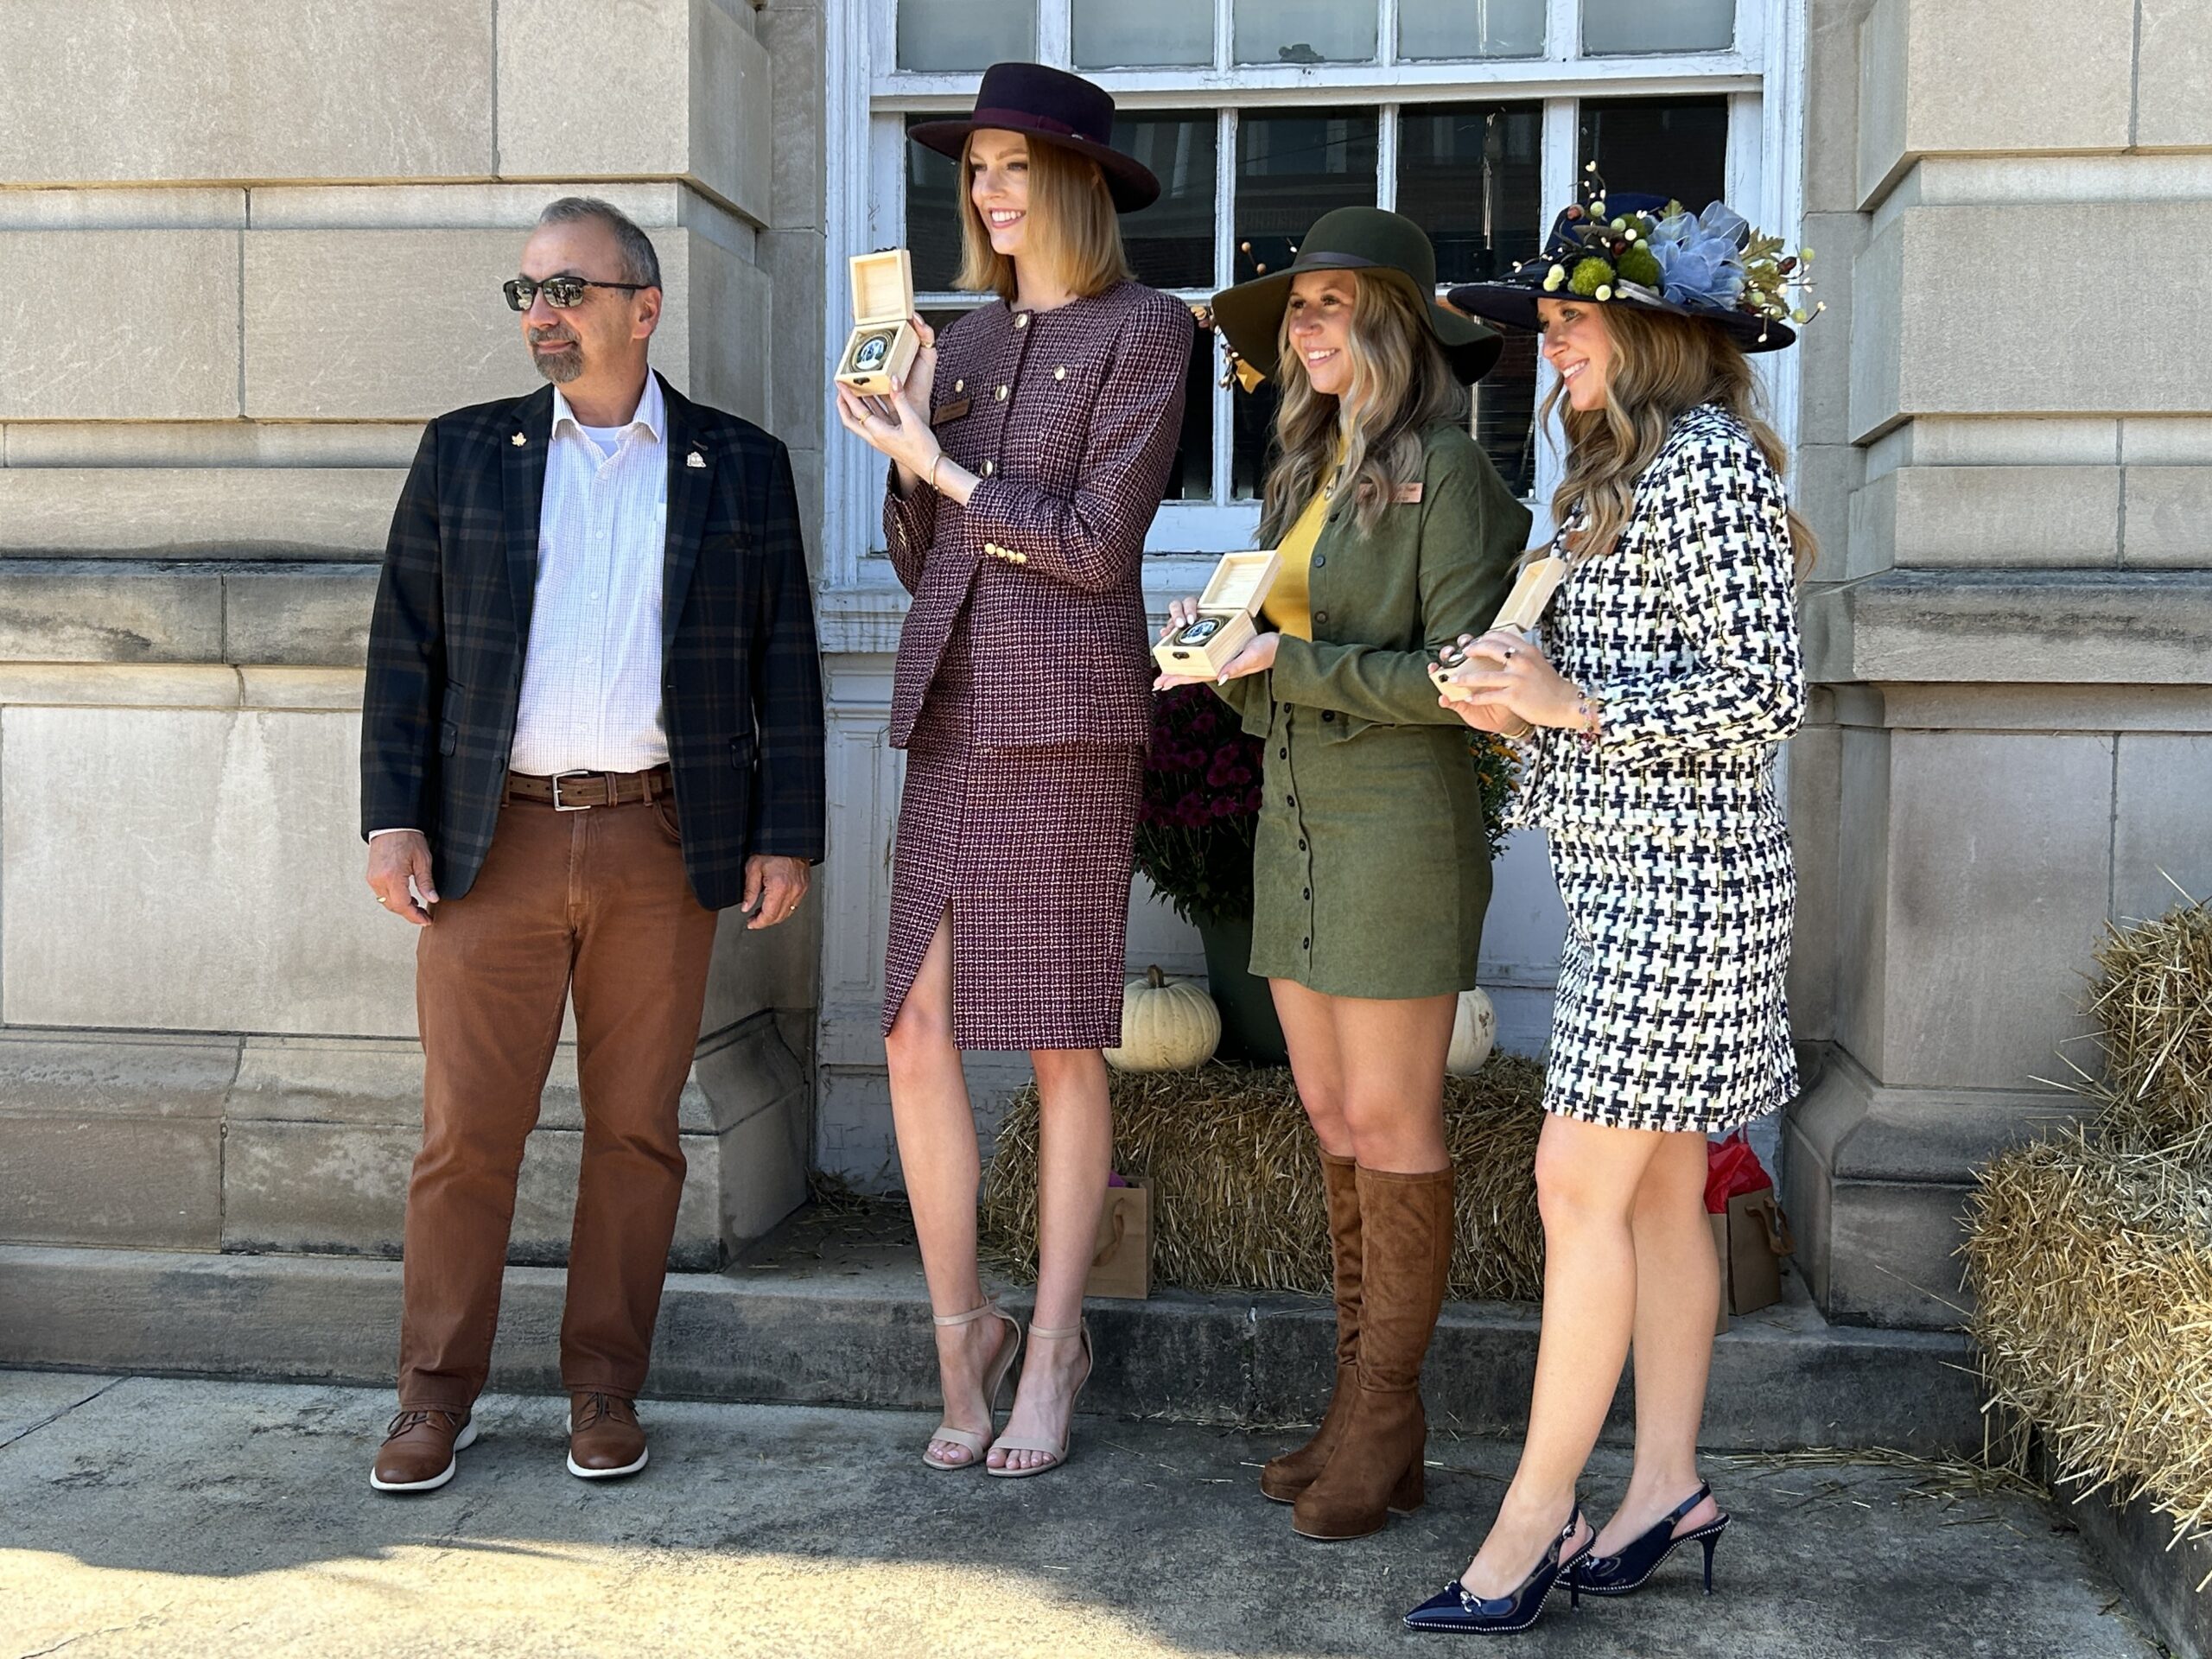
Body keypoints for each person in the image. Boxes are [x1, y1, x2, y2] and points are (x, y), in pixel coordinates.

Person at [360, 196, 824, 1493]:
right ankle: (430, 1396)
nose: (542, 316)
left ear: (643, 305)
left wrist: (786, 834)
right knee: (466, 1134)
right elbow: (406, 652)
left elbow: (781, 661)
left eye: (565, 289)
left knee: (637, 1133)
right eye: (526, 295)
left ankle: (605, 1383)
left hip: (655, 842)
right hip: (488, 844)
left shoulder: (736, 463)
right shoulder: (466, 455)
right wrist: (391, 816)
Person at [1402, 192, 1813, 1633]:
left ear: (1645, 334)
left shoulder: (1701, 467)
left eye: (1572, 323)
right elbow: (1600, 699)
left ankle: (1531, 1522)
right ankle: (1669, 1487)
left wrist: (1570, 700)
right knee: (1648, 1192)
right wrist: (1510, 700)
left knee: (1578, 1187)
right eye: (1552, 327)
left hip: (1692, 890)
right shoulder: (1599, 485)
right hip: (1630, 882)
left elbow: (1769, 692)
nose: (1552, 348)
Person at [833, 62, 1190, 1478]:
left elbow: (1099, 547)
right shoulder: (966, 346)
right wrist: (901, 442)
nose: (986, 191)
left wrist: (951, 469)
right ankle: (960, 1331)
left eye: (1013, 166)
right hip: (952, 713)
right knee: (913, 1031)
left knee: (1057, 1040)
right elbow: (927, 562)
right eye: (974, 166)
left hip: (1064, 727)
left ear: (1078, 185)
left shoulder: (1146, 333)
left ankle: (1055, 1351)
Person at [1160, 207, 1529, 1541]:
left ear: (1393, 323)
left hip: (1398, 832)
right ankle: (1363, 1407)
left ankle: (1388, 1410)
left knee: (1394, 1126)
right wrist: (1216, 664)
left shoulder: (1453, 474)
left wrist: (1283, 667)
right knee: (1328, 1119)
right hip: (1297, 819)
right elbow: (1284, 669)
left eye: (1326, 306)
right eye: (1294, 311)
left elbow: (1464, 680)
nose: (1304, 331)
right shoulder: (1310, 472)